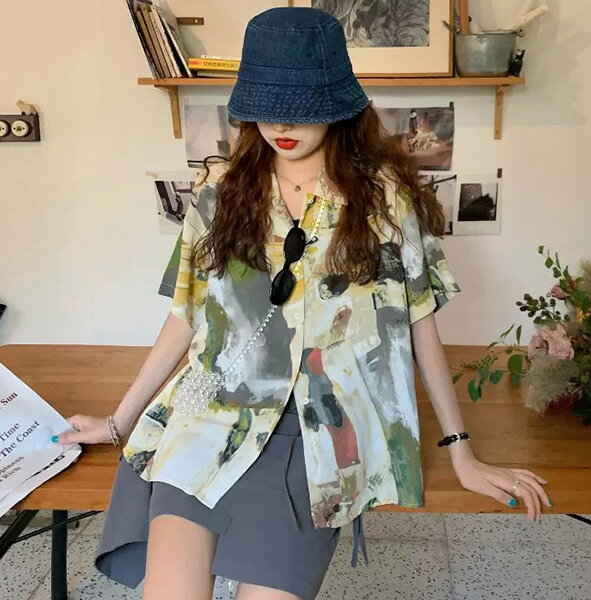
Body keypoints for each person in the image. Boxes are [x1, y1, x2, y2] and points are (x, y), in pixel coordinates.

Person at [53, 7, 552, 600]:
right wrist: (118, 421)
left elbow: (418, 324)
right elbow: (186, 317)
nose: (281, 123)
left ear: (338, 104)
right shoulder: (219, 192)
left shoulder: (384, 202)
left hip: (317, 438)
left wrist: (461, 452)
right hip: (208, 415)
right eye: (266, 105)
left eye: (300, 106)